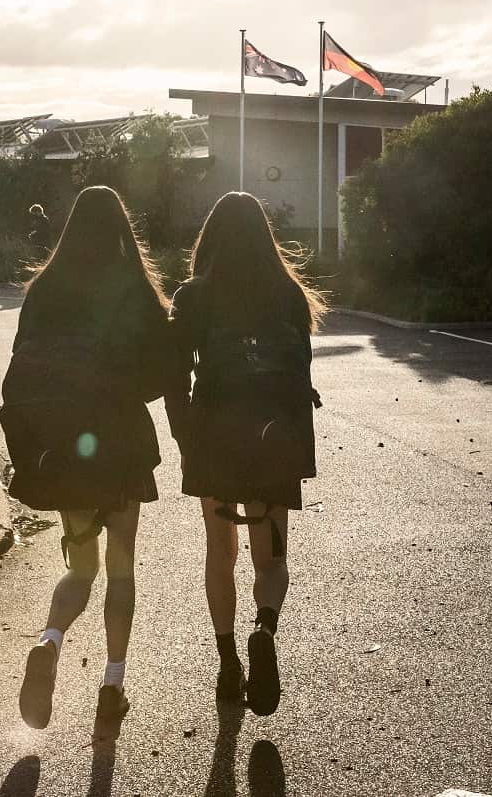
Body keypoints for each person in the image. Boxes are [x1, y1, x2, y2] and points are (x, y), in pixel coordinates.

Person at [0, 186, 186, 737]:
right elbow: (161, 375)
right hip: (120, 445)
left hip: (64, 450)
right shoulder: (133, 288)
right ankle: (112, 684)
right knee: (122, 569)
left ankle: (48, 642)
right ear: (122, 232)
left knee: (81, 568)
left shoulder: (45, 288)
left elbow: (23, 368)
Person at [170, 191, 325, 717]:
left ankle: (229, 660)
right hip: (275, 436)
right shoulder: (289, 293)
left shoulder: (195, 296)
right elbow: (300, 373)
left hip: (215, 433)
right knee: (271, 553)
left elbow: (174, 374)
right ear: (265, 237)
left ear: (210, 239)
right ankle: (265, 626)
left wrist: (185, 436)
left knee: (221, 549)